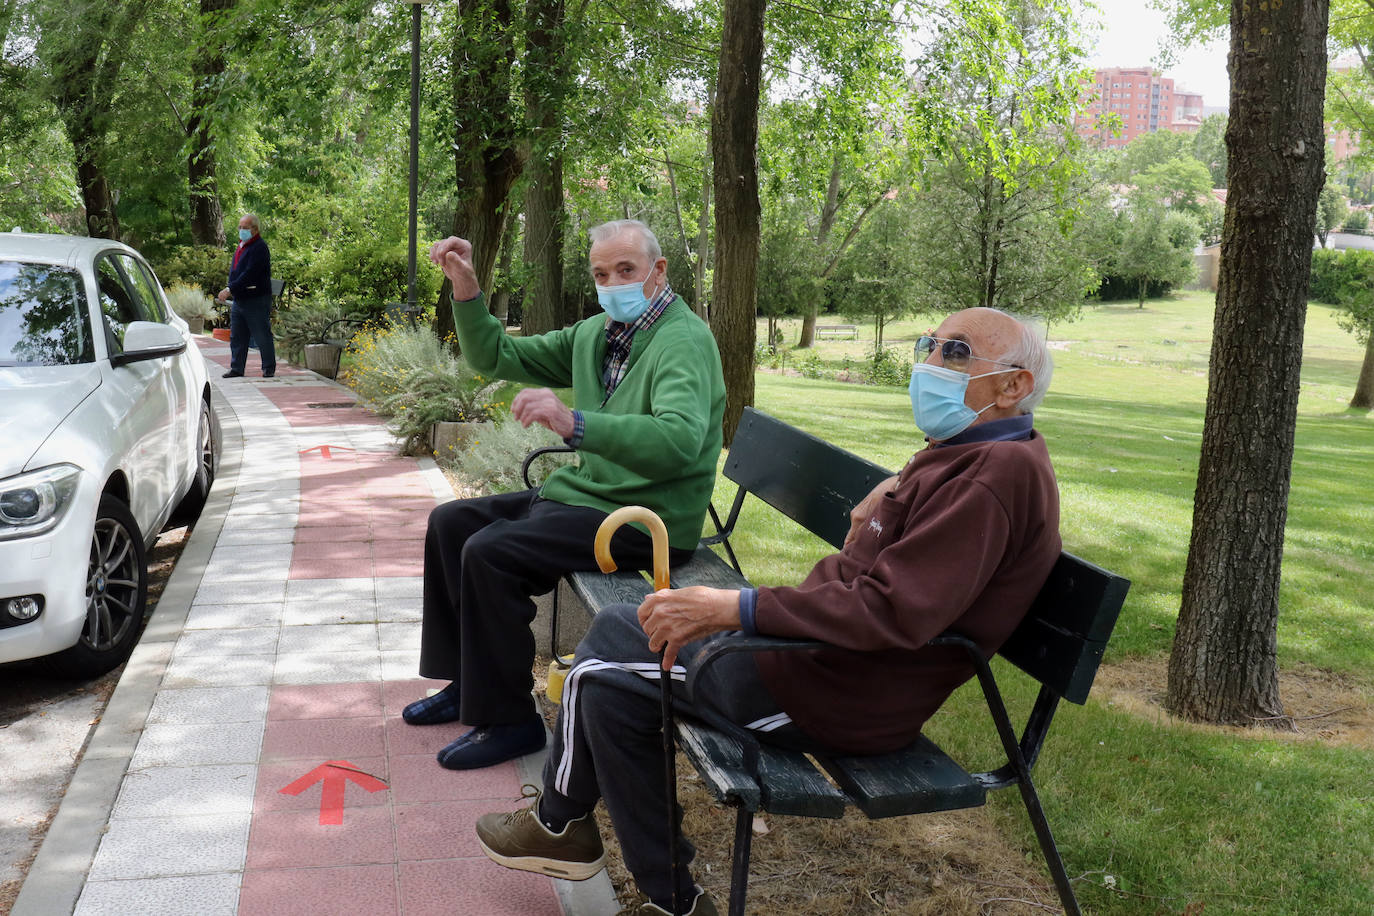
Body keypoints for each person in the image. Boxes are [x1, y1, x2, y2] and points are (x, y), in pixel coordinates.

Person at [473, 307, 1062, 916]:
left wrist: (737, 607)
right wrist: (883, 504)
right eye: (928, 344)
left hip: (836, 696)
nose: (929, 363)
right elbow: (908, 570)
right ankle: (581, 839)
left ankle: (610, 857)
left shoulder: (990, 479)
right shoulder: (973, 454)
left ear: (1013, 385)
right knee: (629, 621)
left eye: (955, 352)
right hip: (819, 664)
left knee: (600, 681)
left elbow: (891, 611)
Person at [405, 219, 725, 772]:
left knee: (490, 553)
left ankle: (511, 721)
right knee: (451, 523)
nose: (613, 282)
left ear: (658, 271)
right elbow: (495, 356)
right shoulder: (596, 334)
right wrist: (466, 286)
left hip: (644, 520)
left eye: (626, 269)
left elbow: (678, 442)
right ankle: (469, 682)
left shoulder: (683, 340)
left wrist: (573, 423)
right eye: (602, 273)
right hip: (588, 499)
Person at [217, 213, 276, 379]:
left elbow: (250, 274)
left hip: (256, 298)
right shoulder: (242, 245)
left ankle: (268, 368)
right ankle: (237, 368)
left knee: (261, 333)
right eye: (240, 227)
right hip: (240, 297)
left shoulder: (259, 247)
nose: (241, 230)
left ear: (255, 229)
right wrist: (232, 288)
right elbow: (236, 271)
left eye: (245, 227)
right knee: (237, 335)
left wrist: (230, 289)